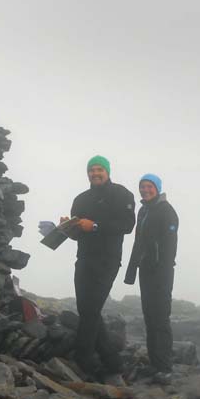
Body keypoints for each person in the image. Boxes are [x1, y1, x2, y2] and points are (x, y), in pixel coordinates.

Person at [62, 155, 135, 380]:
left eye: (99, 170)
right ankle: (113, 362)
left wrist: (94, 226)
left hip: (108, 260)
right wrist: (68, 228)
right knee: (87, 309)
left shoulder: (122, 194)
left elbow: (127, 225)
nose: (95, 173)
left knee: (91, 309)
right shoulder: (81, 199)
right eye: (91, 170)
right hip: (83, 258)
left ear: (107, 171)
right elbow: (77, 234)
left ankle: (82, 360)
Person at [124, 174, 179, 384]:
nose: (145, 190)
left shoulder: (167, 211)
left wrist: (163, 271)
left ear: (157, 188)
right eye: (142, 186)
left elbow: (170, 246)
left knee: (161, 318)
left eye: (149, 186)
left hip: (162, 273)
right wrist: (131, 272)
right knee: (149, 317)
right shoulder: (143, 211)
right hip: (145, 271)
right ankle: (154, 364)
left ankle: (165, 368)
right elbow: (138, 243)